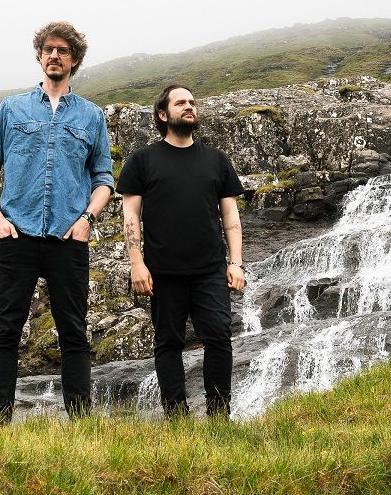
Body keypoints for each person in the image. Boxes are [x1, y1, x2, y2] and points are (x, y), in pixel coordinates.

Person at [0, 21, 114, 423]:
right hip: (16, 233)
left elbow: (104, 179)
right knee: (6, 329)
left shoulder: (92, 116)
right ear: (40, 56)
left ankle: (82, 422)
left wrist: (88, 219)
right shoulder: (11, 108)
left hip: (70, 238)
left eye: (63, 51)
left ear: (74, 60)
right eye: (49, 49)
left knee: (74, 330)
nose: (55, 56)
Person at [117, 84, 245, 418]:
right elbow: (130, 215)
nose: (189, 107)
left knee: (218, 337)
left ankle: (219, 415)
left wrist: (237, 263)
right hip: (162, 271)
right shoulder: (142, 160)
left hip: (210, 270)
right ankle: (177, 416)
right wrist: (137, 264)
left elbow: (230, 215)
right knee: (168, 343)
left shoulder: (216, 160)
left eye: (192, 102)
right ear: (163, 114)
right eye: (180, 103)